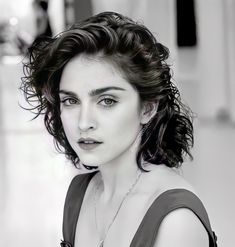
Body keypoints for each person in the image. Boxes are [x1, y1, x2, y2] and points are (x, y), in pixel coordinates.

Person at [21, 11, 217, 247]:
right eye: (71, 101)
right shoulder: (79, 194)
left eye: (107, 101)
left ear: (147, 109)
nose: (84, 123)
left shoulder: (176, 221)